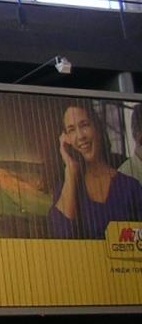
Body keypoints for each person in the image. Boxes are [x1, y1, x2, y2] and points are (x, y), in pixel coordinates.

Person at [48, 101, 142, 238]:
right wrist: (71, 170)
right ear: (66, 139)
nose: (80, 136)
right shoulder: (65, 188)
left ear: (97, 128)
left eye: (84, 125)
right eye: (71, 130)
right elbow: (62, 238)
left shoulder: (130, 187)